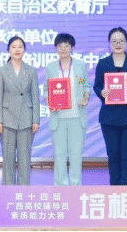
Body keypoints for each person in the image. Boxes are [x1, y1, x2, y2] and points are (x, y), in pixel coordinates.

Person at [93, 27, 127, 185]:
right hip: (109, 117)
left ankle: (126, 190)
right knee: (113, 156)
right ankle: (115, 190)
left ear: (126, 43)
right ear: (109, 43)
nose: (118, 44)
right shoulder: (103, 63)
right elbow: (97, 85)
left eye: (121, 41)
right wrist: (101, 92)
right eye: (114, 41)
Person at [45, 33, 90, 186]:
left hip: (76, 116)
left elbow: (85, 85)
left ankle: (75, 187)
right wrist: (48, 99)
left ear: (72, 47)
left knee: (76, 154)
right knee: (59, 154)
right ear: (56, 48)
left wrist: (85, 97)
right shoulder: (51, 67)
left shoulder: (80, 66)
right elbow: (47, 89)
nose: (63, 49)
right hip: (58, 117)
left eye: (66, 45)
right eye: (60, 46)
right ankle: (60, 187)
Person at [0, 36, 40, 185]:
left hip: (26, 119)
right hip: (7, 119)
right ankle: (8, 191)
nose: (17, 50)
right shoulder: (2, 71)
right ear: (8, 50)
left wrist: (35, 120)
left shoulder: (31, 71)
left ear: (24, 50)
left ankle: (23, 191)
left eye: (20, 47)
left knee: (25, 159)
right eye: (13, 47)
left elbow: (35, 96)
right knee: (8, 159)